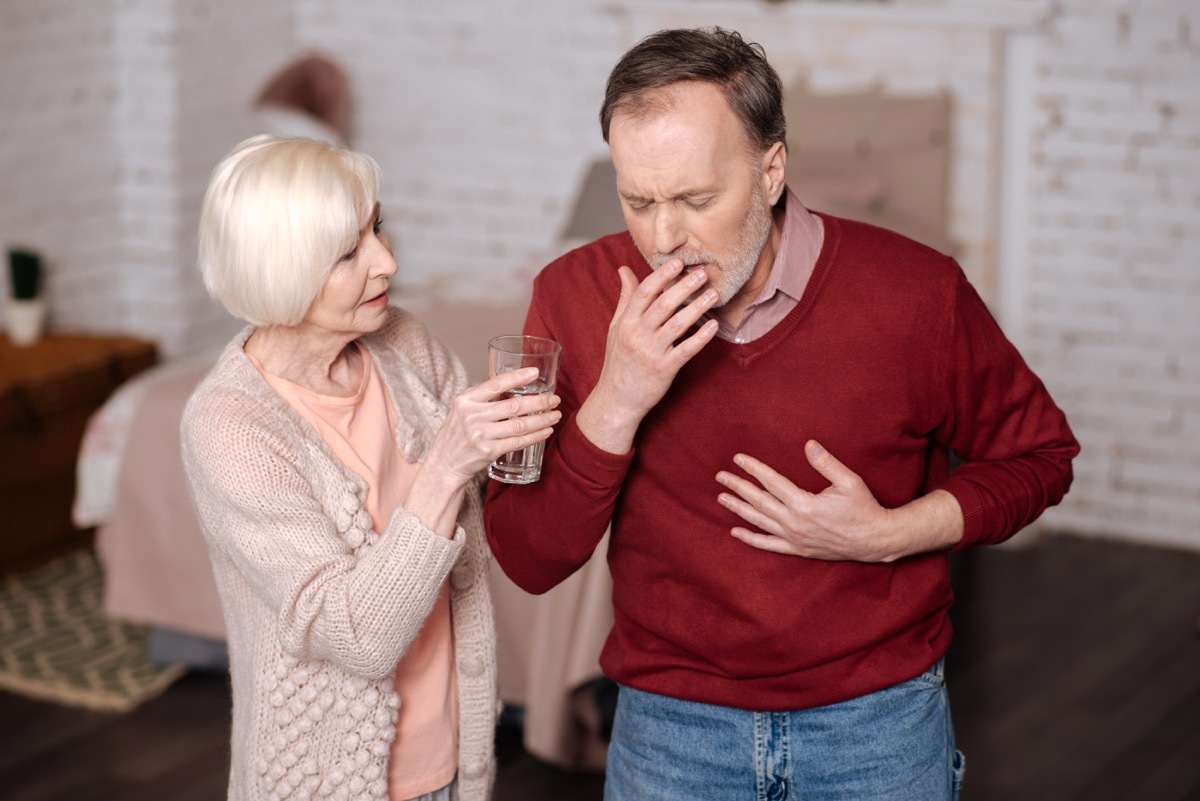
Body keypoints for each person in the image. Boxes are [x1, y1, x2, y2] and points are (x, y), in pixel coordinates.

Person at [484, 27, 1079, 801]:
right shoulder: (575, 294)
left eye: (697, 199)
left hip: (879, 723)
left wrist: (892, 533)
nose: (665, 239)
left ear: (770, 170)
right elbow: (528, 559)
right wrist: (619, 398)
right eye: (638, 200)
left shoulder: (915, 294)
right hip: (671, 728)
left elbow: (1041, 456)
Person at [182, 135, 561, 801]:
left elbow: (496, 507)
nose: (387, 262)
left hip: (453, 762)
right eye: (348, 252)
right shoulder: (229, 426)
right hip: (327, 783)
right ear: (282, 266)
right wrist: (445, 466)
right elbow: (356, 635)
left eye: (378, 228)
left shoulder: (406, 343)